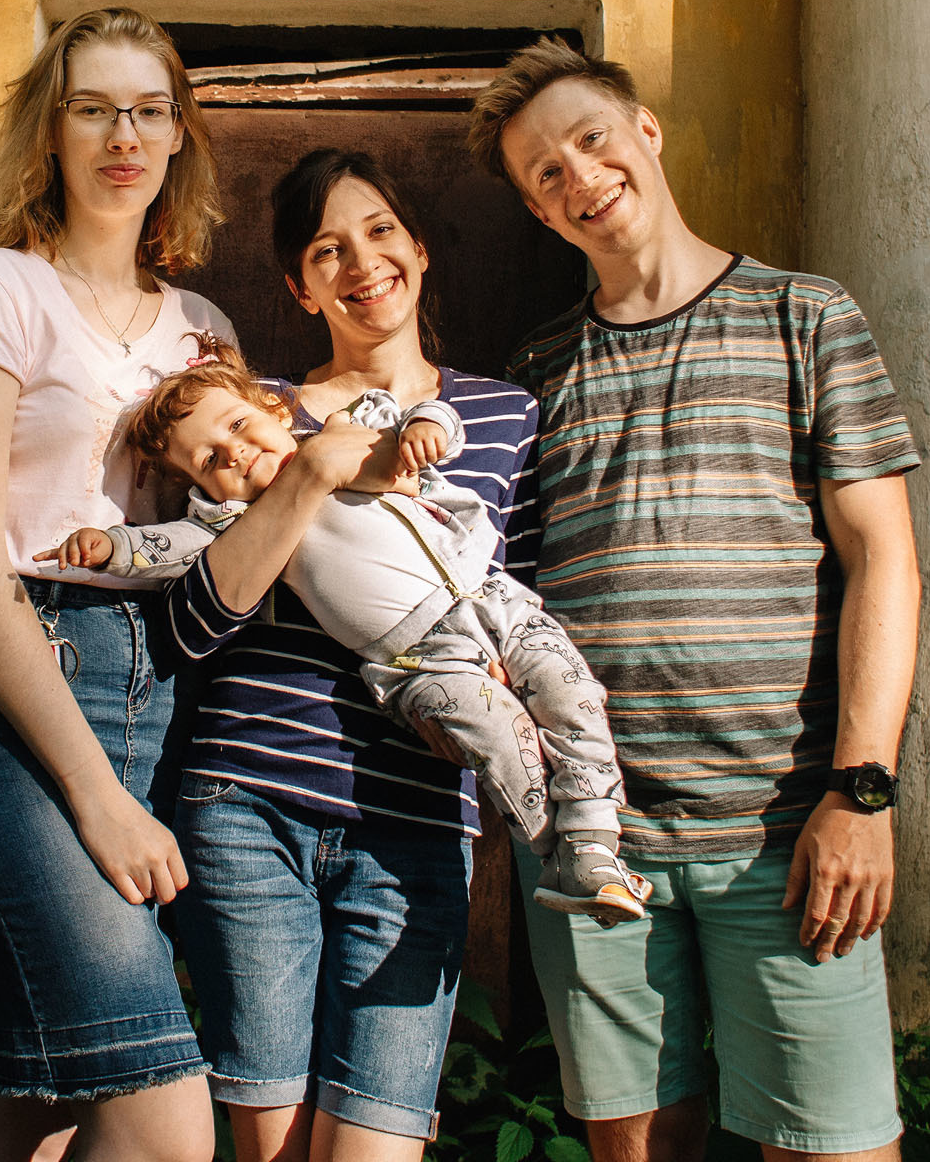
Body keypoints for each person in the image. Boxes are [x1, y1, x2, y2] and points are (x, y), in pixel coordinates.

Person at [466, 39, 924, 1162]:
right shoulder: (537, 373)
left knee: (835, 1146)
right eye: (545, 174)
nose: (579, 176)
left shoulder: (805, 318)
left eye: (589, 139)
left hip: (786, 834)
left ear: (646, 131)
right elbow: (498, 594)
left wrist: (862, 790)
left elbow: (885, 562)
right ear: (536, 209)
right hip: (595, 840)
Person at [154, 149, 535, 1161]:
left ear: (415, 246)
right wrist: (310, 471)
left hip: (415, 819)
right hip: (250, 799)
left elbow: (514, 594)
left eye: (377, 232)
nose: (360, 262)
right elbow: (191, 626)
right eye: (327, 250)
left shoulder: (501, 415)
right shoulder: (251, 415)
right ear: (300, 284)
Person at [0, 7, 231, 1162]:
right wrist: (98, 792)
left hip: (155, 685)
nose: (121, 134)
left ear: (180, 132)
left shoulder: (200, 330)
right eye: (92, 107)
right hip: (14, 685)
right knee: (157, 1111)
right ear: (52, 130)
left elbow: (222, 544)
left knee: (39, 1101)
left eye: (148, 109)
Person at [42, 335, 644, 921]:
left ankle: (596, 839)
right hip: (417, 660)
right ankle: (561, 855)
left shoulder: (349, 431)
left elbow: (423, 419)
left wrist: (426, 427)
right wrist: (110, 545)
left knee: (576, 695)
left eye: (236, 426)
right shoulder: (236, 522)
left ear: (273, 409)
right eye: (209, 461)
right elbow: (167, 548)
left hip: (494, 603)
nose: (234, 453)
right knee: (500, 733)